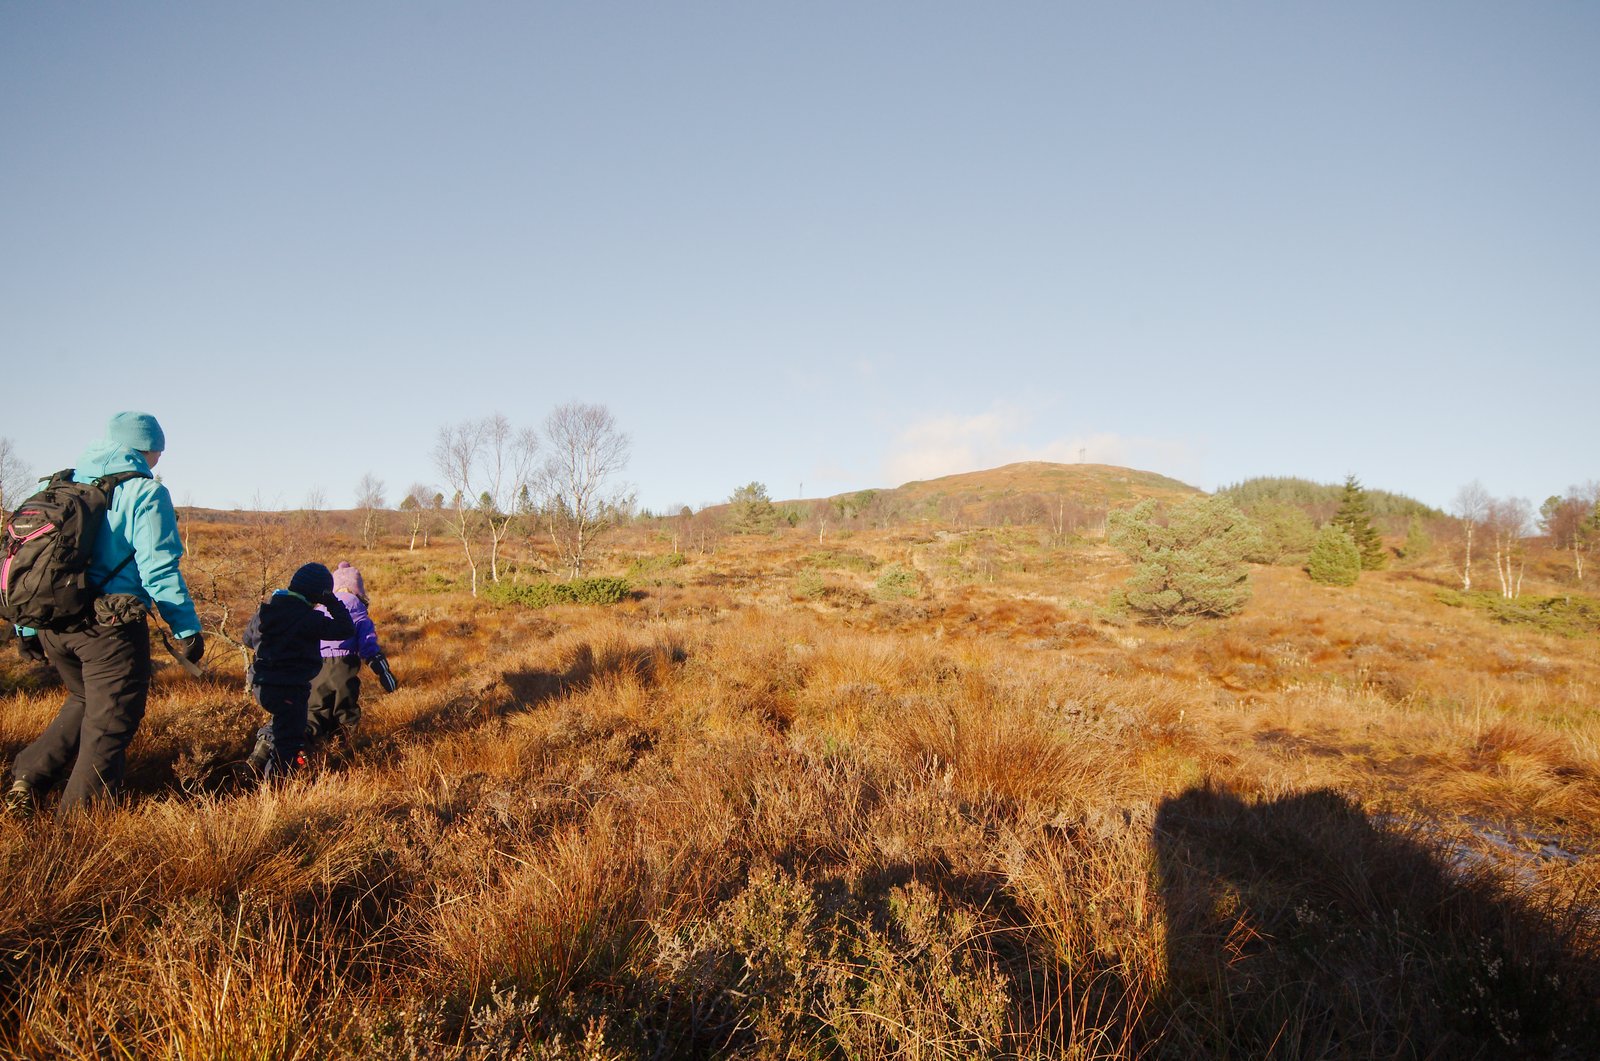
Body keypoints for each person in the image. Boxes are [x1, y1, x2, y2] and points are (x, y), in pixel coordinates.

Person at [5, 412, 204, 818]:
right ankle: (78, 830)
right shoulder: (145, 492)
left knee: (84, 698)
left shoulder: (53, 485)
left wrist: (24, 627)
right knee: (110, 722)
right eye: (159, 450)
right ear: (149, 448)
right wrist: (185, 627)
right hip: (109, 629)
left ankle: (28, 777)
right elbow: (159, 569)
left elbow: (20, 562)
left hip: (52, 623)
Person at [242, 562, 354, 778]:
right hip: (290, 690)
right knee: (289, 745)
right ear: (319, 595)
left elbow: (247, 639)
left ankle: (258, 757)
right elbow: (346, 629)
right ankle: (275, 788)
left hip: (261, 686)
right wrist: (331, 601)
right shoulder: (309, 619)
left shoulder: (265, 611)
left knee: (282, 723)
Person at [307, 561, 389, 750]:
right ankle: (346, 754)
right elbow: (368, 644)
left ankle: (307, 754)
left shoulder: (320, 609)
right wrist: (381, 668)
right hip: (344, 668)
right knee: (346, 713)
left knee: (315, 712)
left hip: (317, 669)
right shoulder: (359, 611)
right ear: (359, 589)